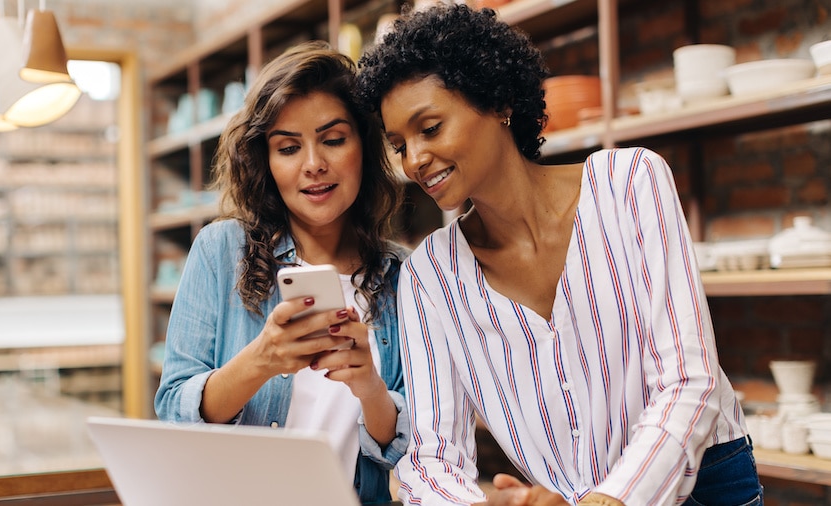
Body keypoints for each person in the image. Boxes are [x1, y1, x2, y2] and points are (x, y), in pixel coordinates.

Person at [356, 5, 762, 506]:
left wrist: (612, 498)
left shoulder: (629, 183)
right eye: (398, 145)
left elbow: (688, 378)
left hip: (699, 482)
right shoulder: (429, 276)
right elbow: (434, 454)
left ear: (499, 101)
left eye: (431, 128)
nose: (413, 159)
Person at [155, 41, 410, 504]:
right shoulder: (220, 251)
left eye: (333, 139)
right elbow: (173, 410)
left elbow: (415, 446)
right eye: (289, 148)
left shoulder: (404, 277)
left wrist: (370, 386)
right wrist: (261, 361)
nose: (313, 164)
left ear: (364, 146)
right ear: (266, 163)